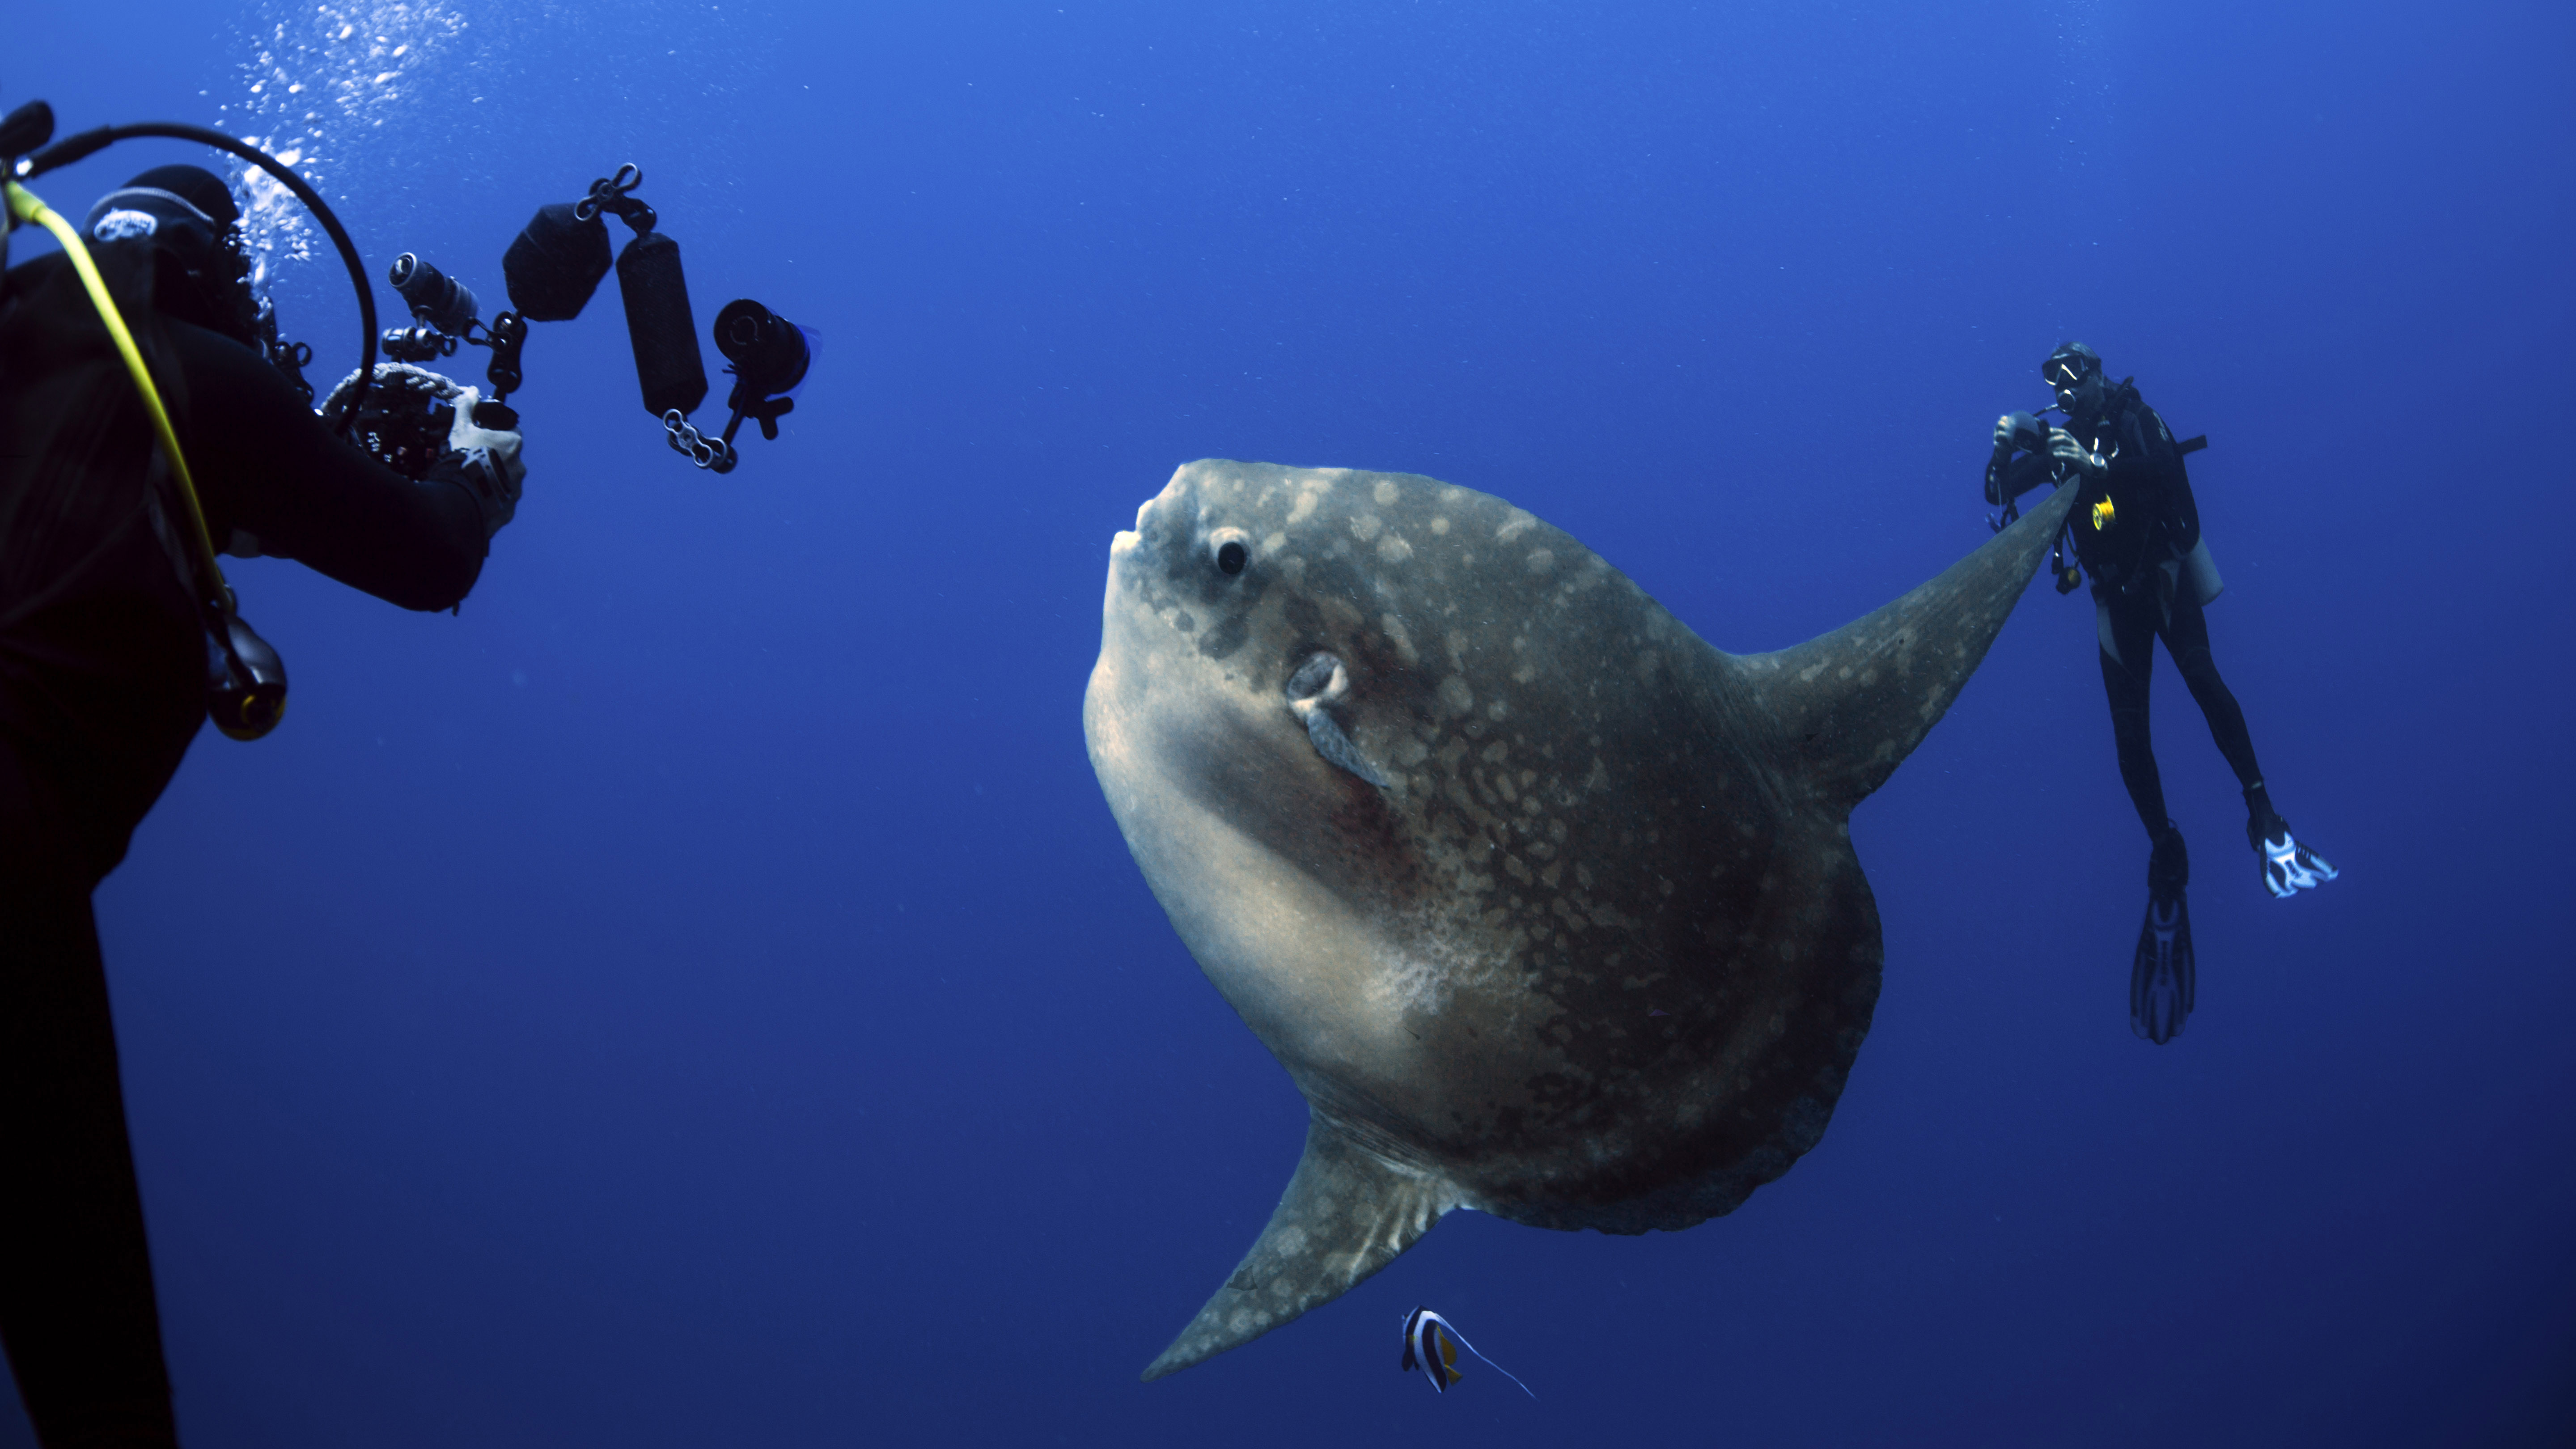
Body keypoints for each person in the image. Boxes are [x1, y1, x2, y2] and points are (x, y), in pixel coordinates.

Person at [0, 164, 525, 1448]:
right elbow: (424, 557)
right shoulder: (197, 370)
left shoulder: (33, 349)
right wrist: (473, 472)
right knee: (99, 1384)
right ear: (199, 274)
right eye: (243, 281)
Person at [1984, 342, 2335, 1045]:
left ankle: (2262, 809)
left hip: (2165, 584)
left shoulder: (2134, 419)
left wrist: (2102, 467)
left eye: (2072, 374)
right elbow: (1998, 497)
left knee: (2205, 680)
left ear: (2097, 373)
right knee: (2128, 736)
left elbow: (2168, 475)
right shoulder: (2059, 446)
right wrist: (2002, 453)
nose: (2065, 388)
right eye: (2053, 381)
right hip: (2116, 602)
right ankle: (2164, 845)